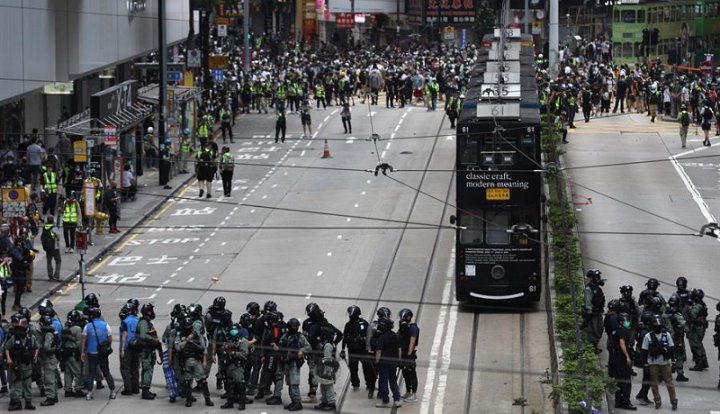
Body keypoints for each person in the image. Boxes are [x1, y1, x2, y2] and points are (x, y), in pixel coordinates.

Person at [175, 313, 214, 407]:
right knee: (187, 381)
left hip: (196, 361)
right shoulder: (180, 335)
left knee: (203, 381)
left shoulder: (197, 335)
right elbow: (178, 348)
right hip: (185, 362)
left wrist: (204, 360)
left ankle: (207, 399)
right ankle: (189, 400)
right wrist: (187, 340)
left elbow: (203, 347)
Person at [640, 315, 678, 410]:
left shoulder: (667, 335)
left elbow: (672, 349)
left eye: (659, 326)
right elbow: (644, 351)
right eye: (656, 326)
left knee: (669, 383)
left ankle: (673, 401)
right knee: (654, 384)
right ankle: (657, 401)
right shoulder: (648, 336)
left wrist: (672, 358)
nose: (658, 328)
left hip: (665, 363)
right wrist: (644, 364)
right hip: (653, 364)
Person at [80, 307, 116, 400]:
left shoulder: (87, 326)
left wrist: (82, 352)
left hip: (91, 353)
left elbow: (83, 340)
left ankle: (89, 393)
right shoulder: (105, 325)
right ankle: (112, 392)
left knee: (91, 374)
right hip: (102, 353)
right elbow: (110, 338)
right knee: (106, 372)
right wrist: (106, 347)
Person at [5, 316, 38, 411]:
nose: (19, 331)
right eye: (18, 328)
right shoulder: (14, 338)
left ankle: (28, 403)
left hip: (28, 366)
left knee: (28, 385)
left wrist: (35, 356)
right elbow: (7, 348)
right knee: (18, 385)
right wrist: (8, 358)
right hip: (17, 366)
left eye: (21, 328)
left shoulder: (31, 338)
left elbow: (37, 347)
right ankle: (18, 403)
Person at [340, 305, 375, 395]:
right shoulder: (348, 325)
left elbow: (369, 336)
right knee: (353, 368)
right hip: (352, 350)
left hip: (363, 350)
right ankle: (355, 384)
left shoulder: (364, 323)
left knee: (367, 367)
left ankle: (369, 384)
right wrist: (343, 349)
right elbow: (344, 337)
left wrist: (366, 344)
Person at [278, 318, 311, 411]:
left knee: (294, 383)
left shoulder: (299, 337)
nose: (295, 328)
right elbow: (281, 346)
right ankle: (293, 401)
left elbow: (308, 347)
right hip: (286, 363)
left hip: (294, 364)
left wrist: (301, 351)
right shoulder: (285, 336)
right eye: (293, 326)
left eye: (296, 326)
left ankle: (297, 402)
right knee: (289, 383)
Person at [220, 322, 253, 410]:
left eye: (235, 330)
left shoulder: (243, 341)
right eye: (232, 330)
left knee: (240, 384)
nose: (233, 332)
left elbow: (244, 355)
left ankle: (242, 403)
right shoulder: (228, 340)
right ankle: (230, 402)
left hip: (237, 366)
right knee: (229, 384)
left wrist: (234, 353)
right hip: (228, 366)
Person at [609, 313, 637, 411]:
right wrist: (627, 357)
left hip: (615, 360)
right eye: (625, 321)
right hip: (621, 360)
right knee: (626, 381)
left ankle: (618, 401)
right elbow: (622, 343)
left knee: (618, 381)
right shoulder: (623, 331)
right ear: (621, 322)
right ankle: (625, 402)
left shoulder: (614, 331)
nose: (627, 322)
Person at [374, 317, 402, 408]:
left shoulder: (381, 337)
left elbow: (378, 351)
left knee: (384, 382)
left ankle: (385, 401)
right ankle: (397, 399)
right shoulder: (394, 335)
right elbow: (399, 349)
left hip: (384, 363)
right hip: (393, 362)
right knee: (393, 381)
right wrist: (399, 360)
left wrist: (377, 362)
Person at [136, 304, 161, 400]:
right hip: (145, 351)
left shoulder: (147, 322)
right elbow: (143, 336)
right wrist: (154, 340)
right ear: (148, 312)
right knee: (147, 371)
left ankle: (146, 390)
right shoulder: (143, 323)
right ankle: (145, 392)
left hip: (148, 350)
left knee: (147, 370)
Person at [664, 296, 688, 382]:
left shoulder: (664, 312)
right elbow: (684, 325)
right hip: (676, 338)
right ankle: (680, 374)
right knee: (680, 355)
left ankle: (662, 374)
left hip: (665, 338)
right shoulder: (677, 314)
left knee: (665, 355)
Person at [398, 308, 419, 403]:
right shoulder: (404, 327)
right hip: (403, 353)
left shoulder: (413, 328)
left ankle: (414, 394)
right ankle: (408, 391)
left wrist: (409, 354)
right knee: (405, 373)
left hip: (408, 354)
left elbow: (412, 342)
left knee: (412, 373)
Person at [118, 303, 140, 396]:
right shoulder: (138, 320)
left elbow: (124, 335)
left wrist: (122, 349)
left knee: (125, 369)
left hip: (127, 348)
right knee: (135, 368)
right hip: (136, 347)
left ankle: (128, 388)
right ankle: (136, 387)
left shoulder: (125, 321)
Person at [38, 315, 60, 406]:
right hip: (53, 358)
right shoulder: (52, 331)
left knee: (49, 378)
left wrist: (40, 348)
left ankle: (50, 397)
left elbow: (47, 347)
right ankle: (54, 396)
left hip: (49, 358)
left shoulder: (48, 334)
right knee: (53, 377)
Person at [686, 288, 709, 371]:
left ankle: (699, 364)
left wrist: (688, 307)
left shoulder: (698, 305)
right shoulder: (701, 304)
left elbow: (692, 315)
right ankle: (704, 362)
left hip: (697, 327)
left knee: (696, 345)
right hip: (701, 326)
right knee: (699, 344)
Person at [583, 269, 605, 353]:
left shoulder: (597, 288)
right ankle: (591, 349)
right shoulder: (588, 289)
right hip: (592, 314)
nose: (599, 278)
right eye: (598, 277)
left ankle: (595, 345)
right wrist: (589, 313)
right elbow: (588, 303)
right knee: (593, 331)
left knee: (600, 329)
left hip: (599, 312)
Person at [40, 216, 61, 280]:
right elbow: (58, 237)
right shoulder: (54, 227)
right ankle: (56, 275)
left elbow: (42, 237)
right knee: (58, 260)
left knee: (49, 261)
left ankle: (50, 275)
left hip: (47, 247)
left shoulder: (44, 228)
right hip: (54, 247)